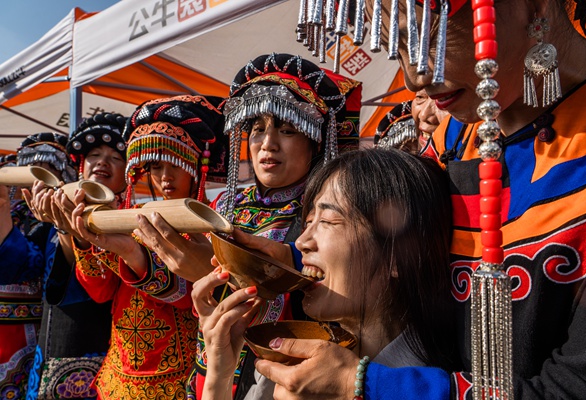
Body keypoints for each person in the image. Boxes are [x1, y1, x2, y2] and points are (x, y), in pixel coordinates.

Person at [223, 0, 586, 399]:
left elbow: (581, 386)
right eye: (398, 45)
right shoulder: (454, 140)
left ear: (533, 6)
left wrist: (372, 385)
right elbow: (391, 240)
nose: (413, 78)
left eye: (428, 36)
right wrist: (287, 263)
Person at [132, 53, 362, 399]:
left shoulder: (327, 213)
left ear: (315, 141)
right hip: (212, 365)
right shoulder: (224, 206)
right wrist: (129, 251)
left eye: (287, 129)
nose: (268, 143)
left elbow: (341, 295)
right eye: (257, 130)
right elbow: (183, 292)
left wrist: (224, 272)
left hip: (284, 374)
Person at [194, 148, 458, 400]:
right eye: (308, 223)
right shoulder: (295, 360)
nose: (301, 242)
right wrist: (220, 371)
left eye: (328, 221)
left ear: (397, 256)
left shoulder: (439, 384)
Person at [62, 95, 225, 399]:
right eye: (155, 166)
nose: (165, 177)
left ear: (197, 165)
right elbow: (100, 291)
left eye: (176, 163)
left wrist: (131, 253)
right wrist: (84, 238)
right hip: (119, 373)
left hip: (179, 375)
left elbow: (186, 297)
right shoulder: (137, 216)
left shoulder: (211, 220)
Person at [14, 113, 129, 400]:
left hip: (102, 344)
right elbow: (51, 276)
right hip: (53, 341)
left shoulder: (127, 221)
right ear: (80, 165)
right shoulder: (49, 215)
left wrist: (66, 225)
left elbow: (100, 285)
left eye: (115, 157)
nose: (103, 161)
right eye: (94, 154)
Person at [0, 133, 77, 399]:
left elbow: (26, 265)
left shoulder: (52, 226)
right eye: (32, 169)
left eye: (48, 170)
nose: (37, 180)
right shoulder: (14, 215)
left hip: (29, 332)